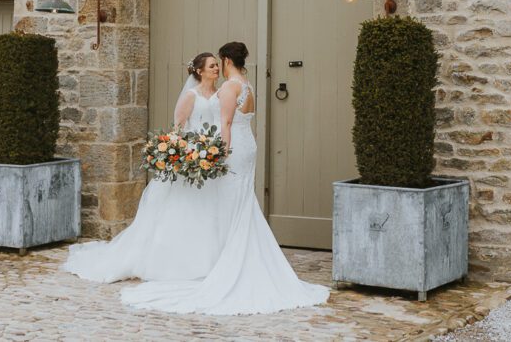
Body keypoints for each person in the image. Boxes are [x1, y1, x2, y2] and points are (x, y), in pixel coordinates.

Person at [119, 41, 330, 315]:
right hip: (246, 146)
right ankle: (230, 254)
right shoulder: (247, 85)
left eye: (220, 61)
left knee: (232, 203)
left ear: (228, 61)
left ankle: (232, 259)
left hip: (234, 149)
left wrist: (220, 152)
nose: (218, 66)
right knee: (240, 203)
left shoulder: (231, 87)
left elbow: (227, 123)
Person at [61, 53, 224, 283]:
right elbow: (177, 129)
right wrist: (187, 153)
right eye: (212, 65)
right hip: (192, 157)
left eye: (217, 65)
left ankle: (211, 259)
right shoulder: (191, 96)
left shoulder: (219, 94)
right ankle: (177, 261)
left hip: (211, 158)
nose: (217, 68)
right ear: (199, 71)